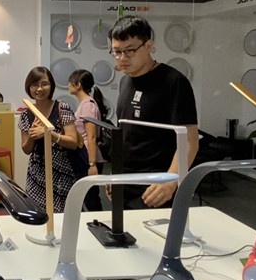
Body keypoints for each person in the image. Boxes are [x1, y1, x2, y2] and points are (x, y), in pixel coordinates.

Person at [108, 16, 199, 209]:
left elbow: (190, 141)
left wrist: (171, 179)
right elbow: (126, 135)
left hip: (156, 187)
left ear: (149, 46)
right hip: (125, 183)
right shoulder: (125, 81)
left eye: (129, 50)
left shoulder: (174, 82)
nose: (122, 58)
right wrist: (114, 175)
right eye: (117, 52)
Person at [18, 66, 79, 212]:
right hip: (36, 174)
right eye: (35, 85)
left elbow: (73, 142)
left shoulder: (62, 108)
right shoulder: (26, 114)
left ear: (51, 86)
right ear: (29, 87)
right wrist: (32, 135)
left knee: (61, 215)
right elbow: (26, 149)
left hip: (62, 173)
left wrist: (49, 134)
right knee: (37, 214)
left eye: (44, 84)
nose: (39, 89)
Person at [68, 69, 108, 211]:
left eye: (70, 83)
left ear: (78, 85)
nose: (68, 85)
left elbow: (91, 136)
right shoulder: (85, 104)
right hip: (84, 156)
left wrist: (92, 164)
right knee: (87, 197)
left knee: (91, 199)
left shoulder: (87, 105)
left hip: (88, 158)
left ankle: (97, 221)